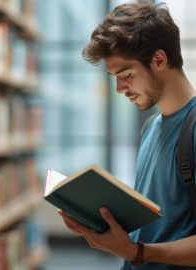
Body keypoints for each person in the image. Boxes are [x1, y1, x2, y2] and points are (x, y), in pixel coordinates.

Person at [58, 1, 196, 269]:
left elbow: (143, 248)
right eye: (114, 77)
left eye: (126, 75)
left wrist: (139, 252)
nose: (120, 88)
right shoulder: (151, 128)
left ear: (159, 60)